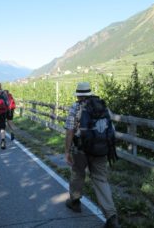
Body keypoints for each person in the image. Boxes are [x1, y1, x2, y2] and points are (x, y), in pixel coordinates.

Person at [64, 82, 120, 228]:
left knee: (77, 173)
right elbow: (111, 128)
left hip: (81, 150)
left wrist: (67, 151)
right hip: (101, 150)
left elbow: (70, 131)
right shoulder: (103, 106)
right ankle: (111, 216)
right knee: (101, 180)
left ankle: (75, 202)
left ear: (78, 95)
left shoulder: (76, 107)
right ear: (89, 93)